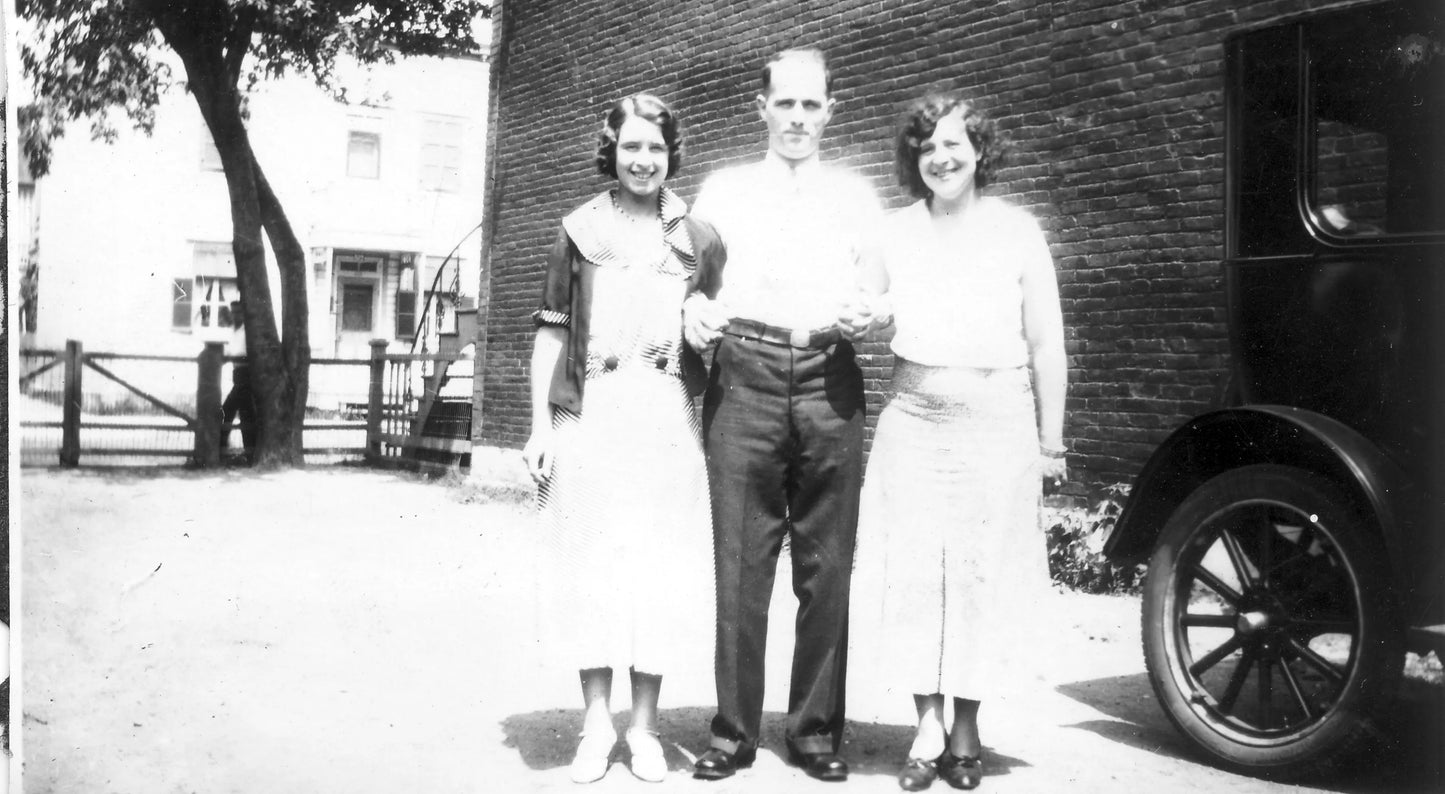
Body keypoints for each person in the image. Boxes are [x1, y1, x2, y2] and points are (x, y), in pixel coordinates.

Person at [850, 92, 1067, 791]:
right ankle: (924, 724)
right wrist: (861, 314)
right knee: (916, 574)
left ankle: (966, 725)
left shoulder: (1017, 230)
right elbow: (861, 309)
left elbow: (1046, 343)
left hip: (998, 419)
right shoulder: (891, 232)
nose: (940, 157)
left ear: (978, 151)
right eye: (925, 147)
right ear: (913, 160)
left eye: (952, 144)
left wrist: (1051, 442)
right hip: (912, 418)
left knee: (980, 574)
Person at [683, 47, 886, 783]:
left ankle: (813, 731)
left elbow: (877, 290)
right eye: (785, 103)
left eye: (811, 105)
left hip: (830, 375)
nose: (797, 117)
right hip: (746, 371)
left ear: (831, 111)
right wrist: (693, 315)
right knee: (741, 562)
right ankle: (732, 731)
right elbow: (690, 282)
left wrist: (871, 311)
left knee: (826, 566)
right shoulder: (724, 190)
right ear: (759, 106)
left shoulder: (857, 196)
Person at [522, 93, 725, 785]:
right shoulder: (578, 231)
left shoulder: (698, 239)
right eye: (631, 147)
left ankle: (643, 730)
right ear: (611, 151)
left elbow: (715, 331)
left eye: (656, 149)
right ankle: (593, 726)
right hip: (594, 415)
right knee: (591, 570)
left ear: (671, 156)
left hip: (666, 417)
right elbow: (549, 335)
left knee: (656, 575)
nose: (643, 160)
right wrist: (539, 427)